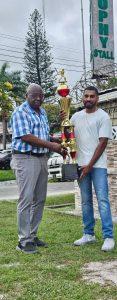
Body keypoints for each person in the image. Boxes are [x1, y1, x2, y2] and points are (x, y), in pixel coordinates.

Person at [10, 83, 67, 254]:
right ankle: (23, 241)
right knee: (26, 199)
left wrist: (56, 141)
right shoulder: (21, 112)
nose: (38, 98)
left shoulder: (42, 112)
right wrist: (51, 145)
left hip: (41, 158)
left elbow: (42, 135)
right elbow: (26, 136)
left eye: (41, 95)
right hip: (25, 158)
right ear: (26, 95)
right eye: (34, 95)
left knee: (40, 199)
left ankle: (32, 235)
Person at [61, 86, 115, 251]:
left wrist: (89, 166)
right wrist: (63, 121)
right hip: (80, 165)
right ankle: (88, 234)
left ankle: (108, 237)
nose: (89, 99)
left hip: (97, 166)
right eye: (86, 96)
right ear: (82, 98)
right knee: (85, 202)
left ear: (97, 99)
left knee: (103, 201)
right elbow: (68, 136)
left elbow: (103, 142)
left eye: (92, 96)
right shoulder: (76, 116)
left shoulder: (103, 117)